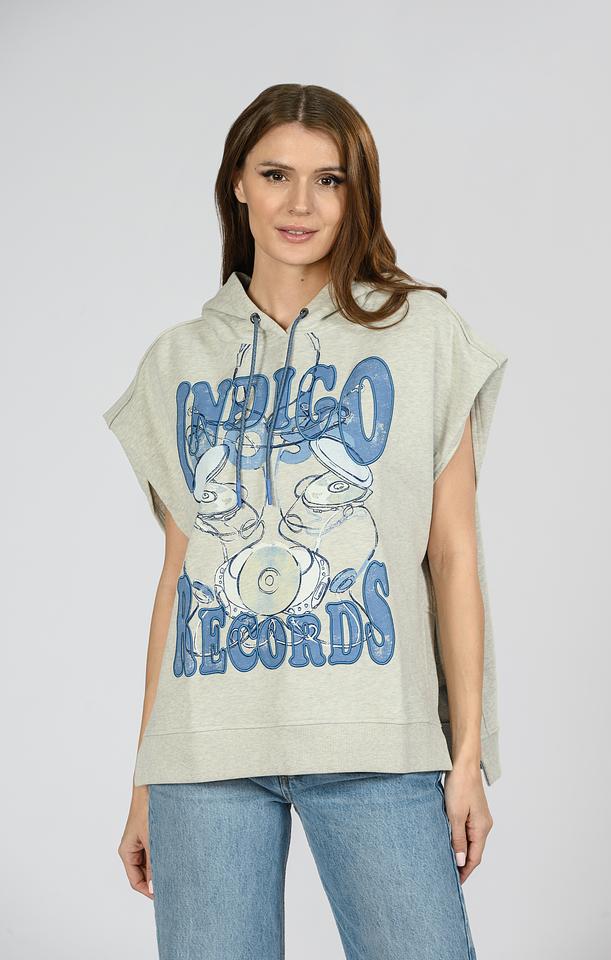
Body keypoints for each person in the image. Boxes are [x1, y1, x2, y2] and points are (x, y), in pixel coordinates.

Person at [102, 83, 509, 959]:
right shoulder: (177, 361)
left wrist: (468, 755)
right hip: (203, 758)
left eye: (330, 180)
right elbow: (179, 577)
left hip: (377, 742)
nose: (301, 203)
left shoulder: (423, 336)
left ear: (358, 194)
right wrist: (143, 776)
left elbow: (452, 555)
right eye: (275, 174)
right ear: (237, 184)